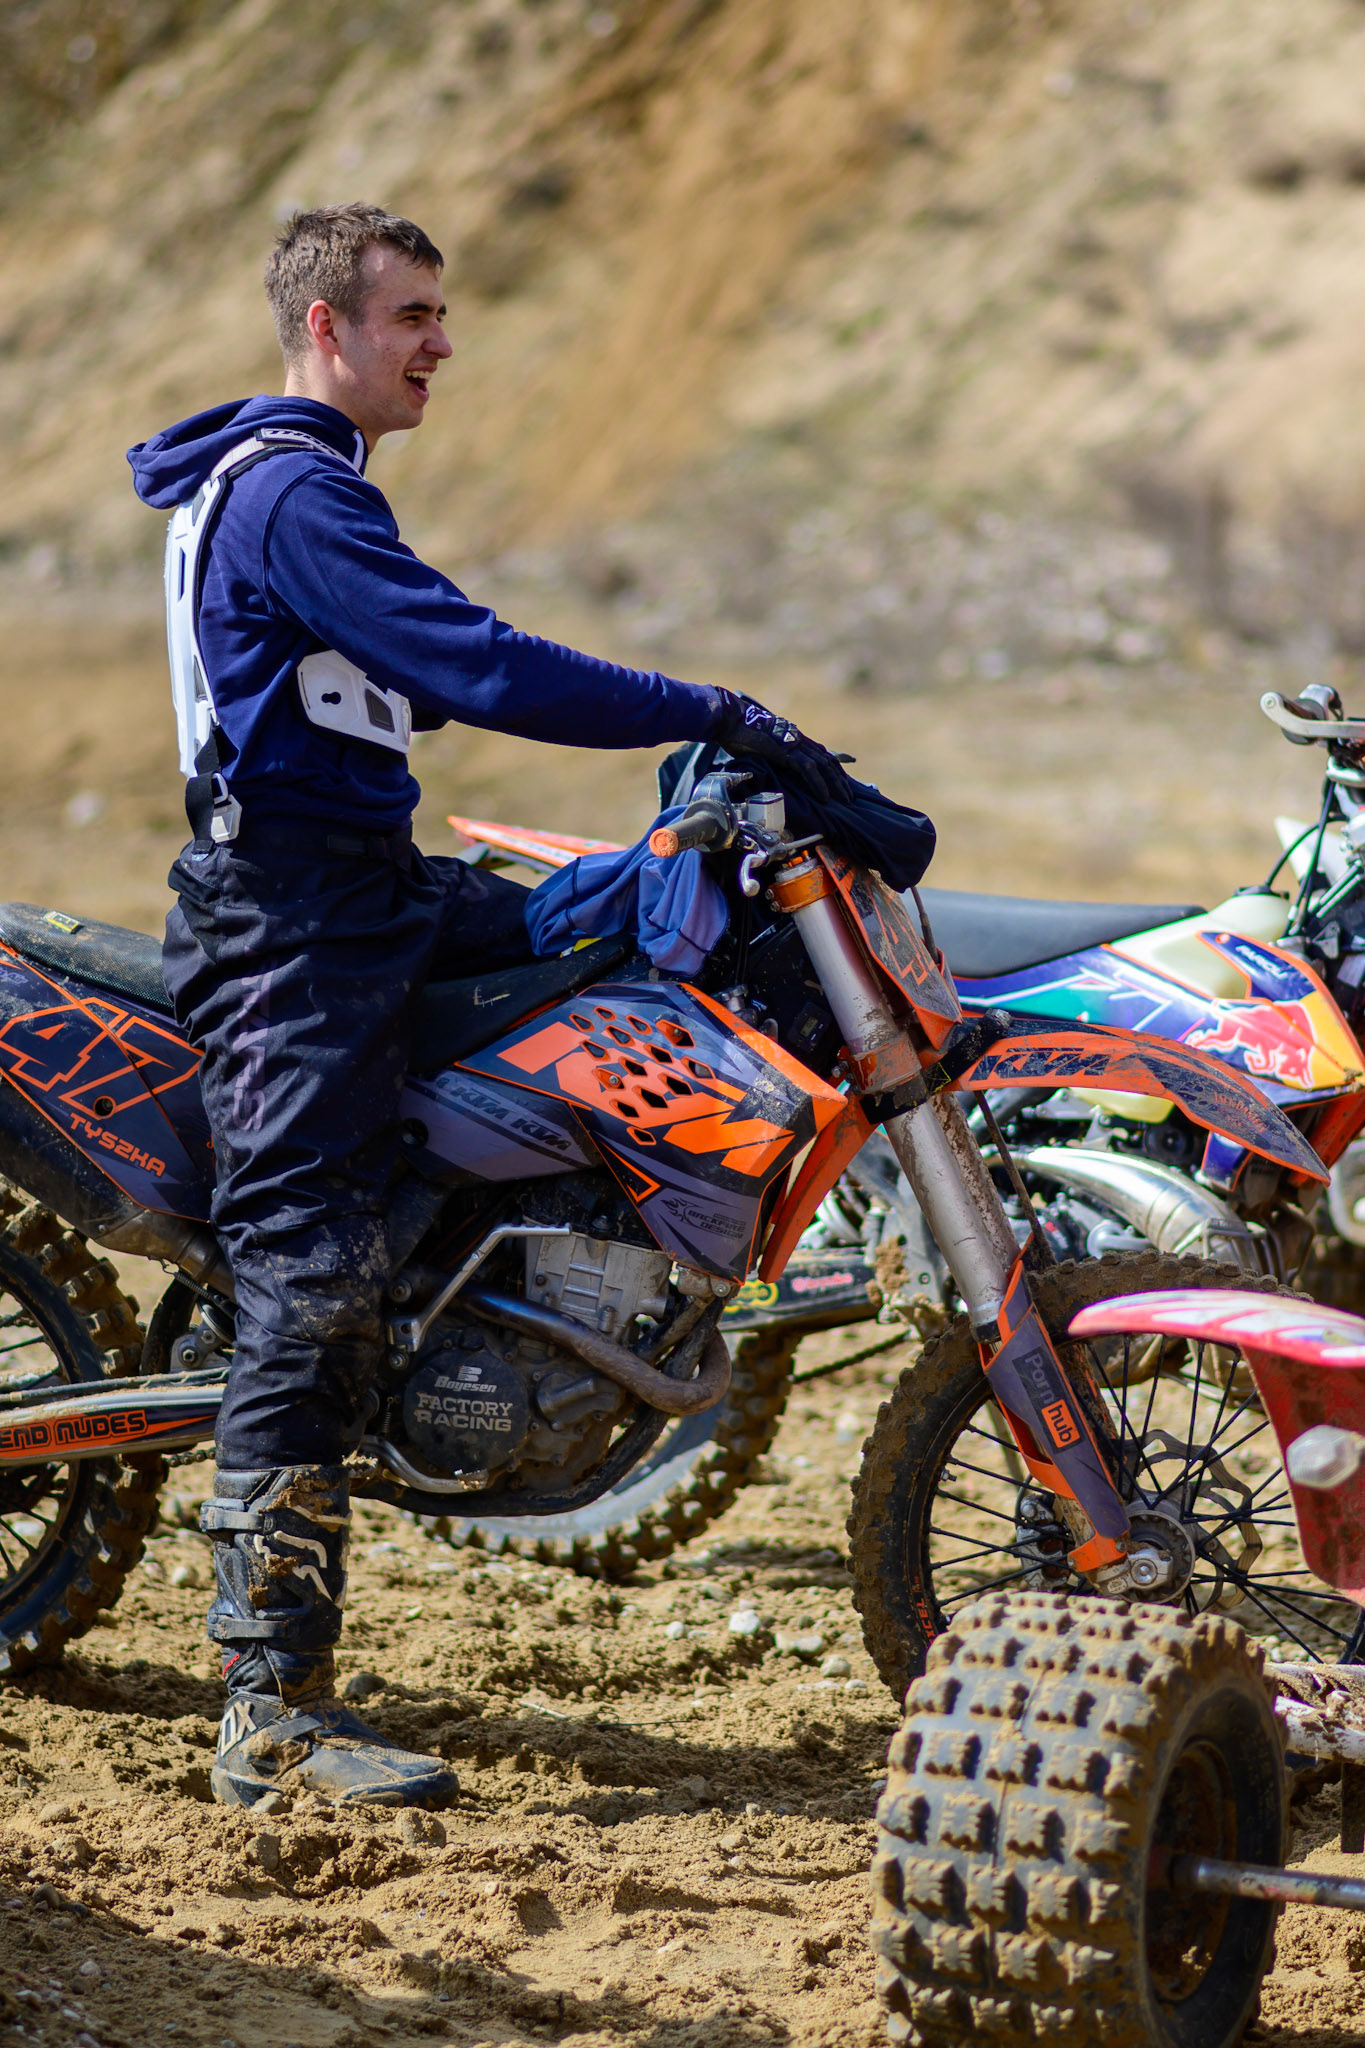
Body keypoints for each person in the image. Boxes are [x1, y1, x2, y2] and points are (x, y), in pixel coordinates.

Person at [127, 202, 849, 1811]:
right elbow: (486, 667)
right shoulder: (295, 491)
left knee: (619, 927)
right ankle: (268, 1713)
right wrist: (715, 708)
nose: (441, 345)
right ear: (326, 326)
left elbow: (419, 680)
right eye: (413, 317)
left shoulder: (304, 484)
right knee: (307, 1274)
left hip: (366, 891)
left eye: (441, 316)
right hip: (293, 931)